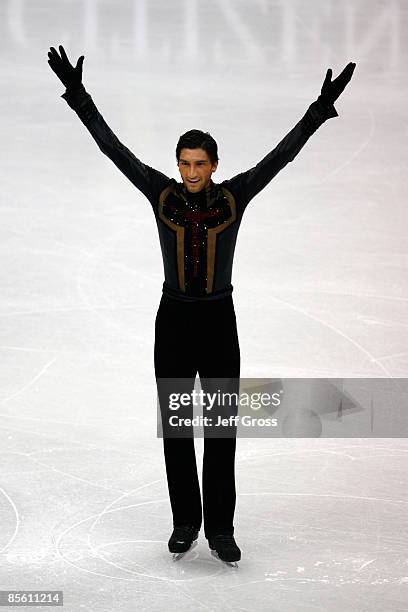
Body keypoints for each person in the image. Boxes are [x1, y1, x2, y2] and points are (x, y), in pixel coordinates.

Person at [47, 45, 356, 563]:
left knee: (219, 430)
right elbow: (113, 150)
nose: (191, 172)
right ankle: (185, 522)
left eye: (200, 164)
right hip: (173, 322)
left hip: (217, 321)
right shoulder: (160, 193)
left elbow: (281, 157)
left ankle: (222, 529)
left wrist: (317, 112)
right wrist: (79, 97)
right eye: (185, 163)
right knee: (177, 427)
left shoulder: (235, 196)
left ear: (214, 165)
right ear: (178, 164)